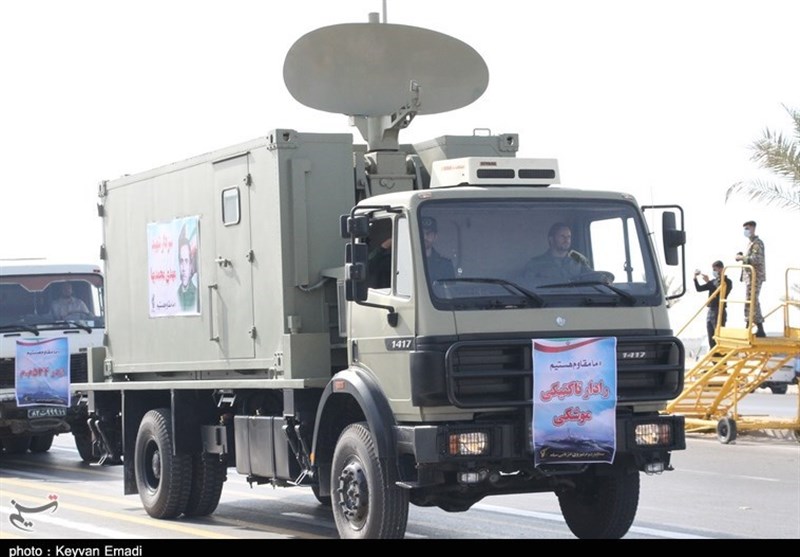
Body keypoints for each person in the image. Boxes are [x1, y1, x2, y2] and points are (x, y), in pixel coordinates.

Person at [522, 222, 591, 285]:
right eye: (562, 236)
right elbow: (528, 286)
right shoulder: (535, 263)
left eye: (569, 236)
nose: (566, 240)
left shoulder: (579, 259)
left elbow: (591, 278)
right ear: (551, 239)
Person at [735, 220, 766, 337]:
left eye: (747, 228)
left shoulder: (757, 243)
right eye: (745, 229)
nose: (746, 231)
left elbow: (757, 259)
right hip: (749, 277)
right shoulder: (750, 243)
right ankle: (753, 326)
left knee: (752, 300)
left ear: (753, 228)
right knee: (751, 300)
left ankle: (753, 327)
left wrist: (742, 258)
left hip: (755, 276)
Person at [693, 260, 733, 351]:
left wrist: (708, 282)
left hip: (719, 310)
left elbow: (719, 292)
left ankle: (721, 355)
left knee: (718, 336)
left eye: (715, 269)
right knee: (711, 336)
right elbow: (699, 289)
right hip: (710, 310)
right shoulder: (713, 282)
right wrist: (695, 278)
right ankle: (713, 355)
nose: (714, 272)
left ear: (721, 269)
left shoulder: (727, 281)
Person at [421, 217, 454, 282]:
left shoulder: (445, 265)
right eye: (421, 233)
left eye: (429, 234)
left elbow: (450, 286)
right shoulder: (409, 261)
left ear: (435, 237)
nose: (425, 237)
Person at [177, 225, 198, 312]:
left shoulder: (196, 294)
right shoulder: (177, 293)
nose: (183, 269)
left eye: (186, 261)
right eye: (181, 261)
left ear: (190, 264)